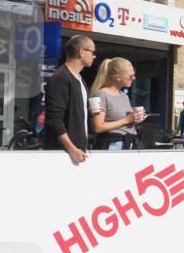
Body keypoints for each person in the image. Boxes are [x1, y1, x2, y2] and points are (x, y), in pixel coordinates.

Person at [43, 35, 96, 164]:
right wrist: (71, 148)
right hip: (63, 153)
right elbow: (54, 119)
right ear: (81, 52)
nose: (94, 56)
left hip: (77, 151)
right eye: (93, 52)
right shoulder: (60, 78)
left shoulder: (80, 79)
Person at [89, 57, 145, 150]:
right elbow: (98, 127)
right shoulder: (100, 94)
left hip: (129, 143)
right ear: (118, 77)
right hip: (113, 144)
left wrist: (135, 118)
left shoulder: (124, 96)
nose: (134, 78)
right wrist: (127, 120)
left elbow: (125, 120)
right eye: (131, 76)